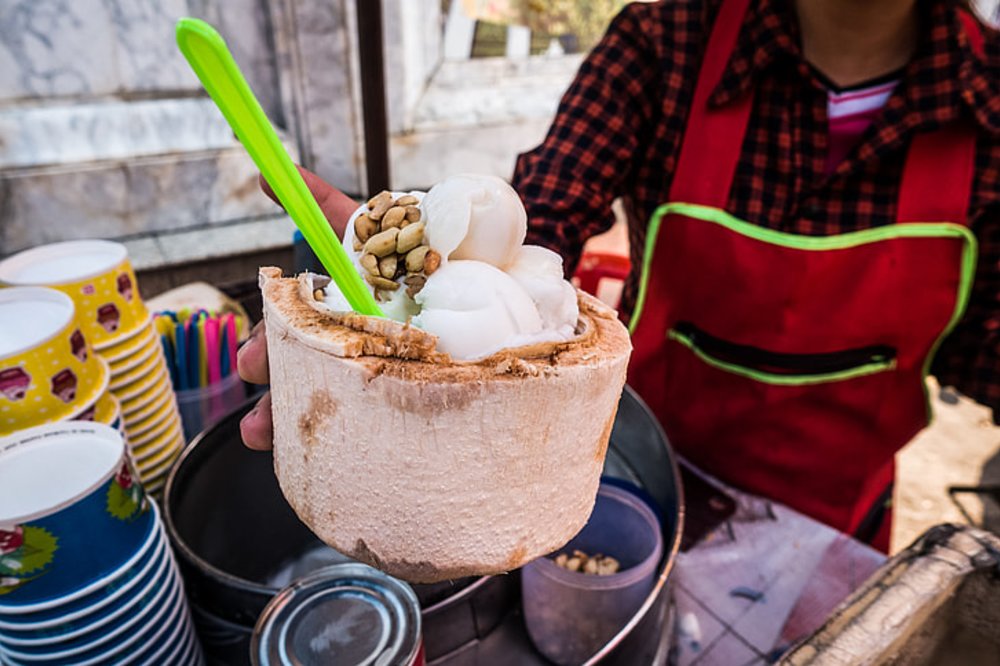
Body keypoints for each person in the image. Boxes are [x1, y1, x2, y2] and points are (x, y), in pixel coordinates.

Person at [240, 0, 999, 552]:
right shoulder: (667, 44)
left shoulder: (990, 108)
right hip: (636, 467)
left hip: (837, 521)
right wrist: (411, 296)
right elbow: (539, 228)